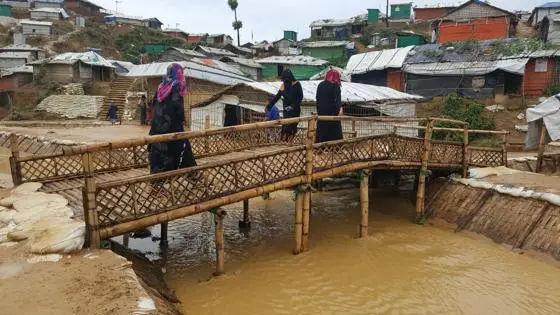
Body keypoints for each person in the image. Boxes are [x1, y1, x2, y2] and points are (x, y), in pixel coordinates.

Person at [149, 63, 197, 174]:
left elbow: (153, 104)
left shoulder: (161, 86)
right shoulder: (176, 86)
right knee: (181, 146)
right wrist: (183, 119)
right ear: (179, 73)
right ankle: (191, 174)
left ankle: (156, 176)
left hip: (157, 126)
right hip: (171, 125)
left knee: (158, 149)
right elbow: (177, 106)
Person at [266, 70, 303, 141]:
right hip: (286, 111)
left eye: (285, 79)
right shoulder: (284, 85)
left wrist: (292, 106)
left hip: (294, 110)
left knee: (291, 129)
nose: (284, 81)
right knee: (285, 128)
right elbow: (277, 97)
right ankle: (283, 144)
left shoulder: (297, 84)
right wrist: (269, 106)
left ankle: (289, 144)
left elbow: (298, 98)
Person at [315, 69, 343, 143]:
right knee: (334, 131)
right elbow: (337, 100)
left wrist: (319, 110)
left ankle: (319, 147)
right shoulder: (335, 86)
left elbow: (317, 98)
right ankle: (335, 147)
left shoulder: (320, 85)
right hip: (332, 114)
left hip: (321, 113)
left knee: (322, 130)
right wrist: (339, 109)